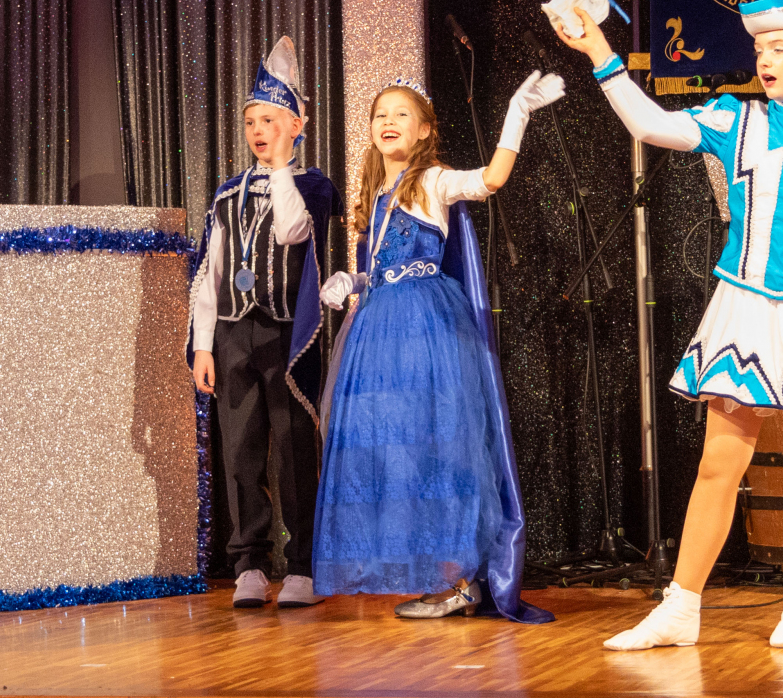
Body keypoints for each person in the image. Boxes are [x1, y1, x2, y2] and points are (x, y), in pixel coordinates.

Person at [553, 0, 783, 651]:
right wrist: (601, 53)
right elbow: (650, 125)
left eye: (779, 48)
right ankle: (681, 607)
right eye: (760, 50)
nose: (765, 59)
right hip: (745, 307)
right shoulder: (738, 120)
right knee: (718, 464)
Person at [312, 72, 562, 623]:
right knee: (394, 450)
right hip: (380, 330)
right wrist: (351, 280)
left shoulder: (434, 179)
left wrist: (517, 114)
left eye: (401, 114)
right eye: (380, 114)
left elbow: (491, 179)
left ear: (424, 130)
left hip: (425, 326)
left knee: (437, 446)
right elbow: (379, 267)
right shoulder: (376, 195)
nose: (388, 122)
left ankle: (459, 580)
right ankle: (437, 576)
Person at [188, 37, 338, 610]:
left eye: (270, 120)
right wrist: (204, 345)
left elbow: (291, 231)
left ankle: (301, 566)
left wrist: (278, 169)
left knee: (294, 449)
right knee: (241, 451)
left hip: (288, 335)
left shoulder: (312, 186)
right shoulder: (227, 193)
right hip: (233, 332)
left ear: (296, 126)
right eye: (251, 121)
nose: (258, 130)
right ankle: (249, 562)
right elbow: (210, 272)